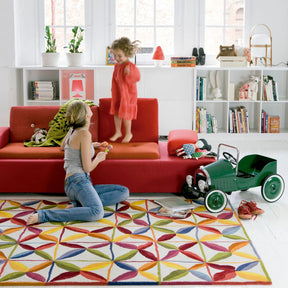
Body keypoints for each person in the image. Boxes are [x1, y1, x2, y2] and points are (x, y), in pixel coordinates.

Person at [27, 100, 129, 225]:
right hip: (79, 182)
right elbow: (87, 168)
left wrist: (94, 145)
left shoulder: (74, 131)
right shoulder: (84, 134)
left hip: (72, 185)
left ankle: (77, 204)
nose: (89, 105)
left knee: (124, 191)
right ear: (86, 115)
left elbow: (65, 146)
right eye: (86, 107)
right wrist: (99, 158)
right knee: (97, 212)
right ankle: (45, 215)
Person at [109, 37, 141, 143]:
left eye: (120, 56)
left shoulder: (130, 66)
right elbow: (115, 78)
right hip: (118, 93)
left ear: (127, 54)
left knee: (126, 113)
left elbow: (137, 77)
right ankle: (118, 131)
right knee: (116, 112)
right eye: (115, 55)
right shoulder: (117, 66)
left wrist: (130, 73)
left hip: (128, 95)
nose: (117, 58)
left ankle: (128, 133)